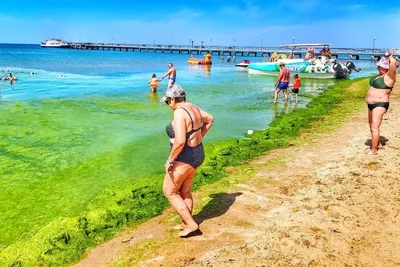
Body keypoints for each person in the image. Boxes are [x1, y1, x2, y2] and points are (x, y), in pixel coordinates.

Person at [160, 84, 214, 237]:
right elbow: (210, 119)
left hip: (185, 157)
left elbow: (180, 141)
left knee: (169, 190)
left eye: (167, 101)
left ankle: (191, 224)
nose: (168, 105)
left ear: (172, 99)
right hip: (198, 153)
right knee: (185, 191)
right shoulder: (193, 107)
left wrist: (170, 160)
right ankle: (186, 222)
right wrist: (199, 137)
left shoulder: (179, 113)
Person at [365, 51, 398, 155]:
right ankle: (377, 144)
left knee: (375, 126)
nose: (378, 68)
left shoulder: (389, 77)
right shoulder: (377, 76)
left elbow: (393, 63)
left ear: (386, 68)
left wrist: (390, 56)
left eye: (380, 66)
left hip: (380, 104)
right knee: (371, 124)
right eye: (378, 66)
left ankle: (373, 150)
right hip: (370, 105)